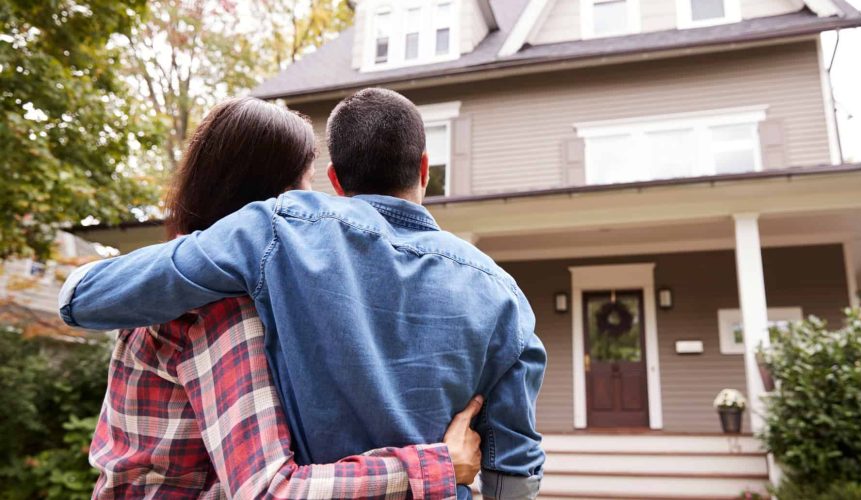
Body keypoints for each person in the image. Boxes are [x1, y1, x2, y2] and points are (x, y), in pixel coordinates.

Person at [61, 88, 546, 499]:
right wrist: (446, 467)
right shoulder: (505, 294)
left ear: (335, 180)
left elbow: (84, 299)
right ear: (424, 168)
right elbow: (515, 459)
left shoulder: (273, 235)